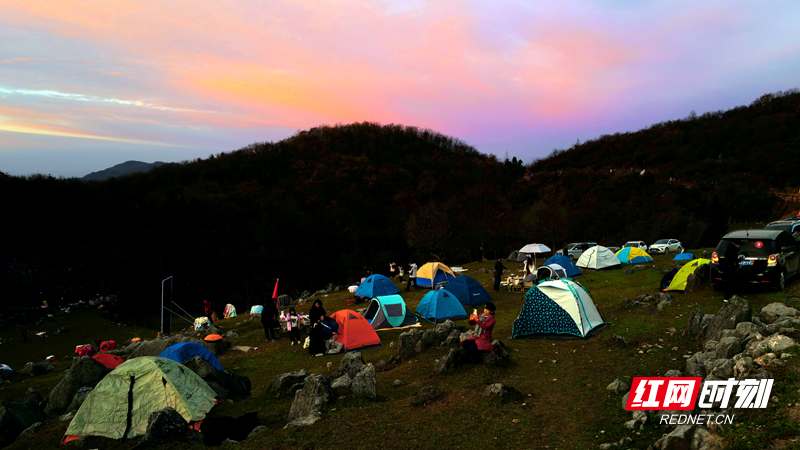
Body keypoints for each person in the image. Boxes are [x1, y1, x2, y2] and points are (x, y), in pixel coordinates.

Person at [455, 302, 496, 366]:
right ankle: (477, 358)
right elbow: (472, 323)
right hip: (476, 337)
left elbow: (485, 326)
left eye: (487, 310)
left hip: (484, 340)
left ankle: (458, 361)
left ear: (492, 312)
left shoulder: (492, 320)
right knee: (465, 343)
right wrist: (471, 319)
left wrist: (477, 320)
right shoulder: (481, 315)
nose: (485, 310)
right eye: (485, 309)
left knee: (472, 348)